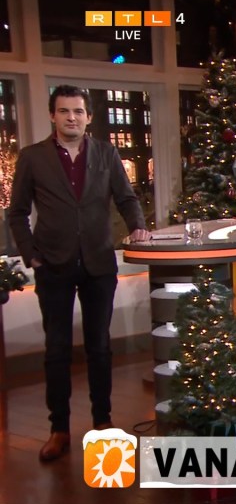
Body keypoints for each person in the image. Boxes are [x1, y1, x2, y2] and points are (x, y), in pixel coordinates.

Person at [8, 85, 150, 462]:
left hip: (98, 263)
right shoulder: (33, 157)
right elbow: (17, 213)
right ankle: (59, 429)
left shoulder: (106, 153)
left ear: (88, 116)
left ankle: (102, 422)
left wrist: (138, 226)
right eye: (64, 111)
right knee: (56, 349)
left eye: (78, 111)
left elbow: (126, 197)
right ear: (52, 116)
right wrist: (31, 255)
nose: (71, 117)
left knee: (99, 346)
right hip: (52, 265)